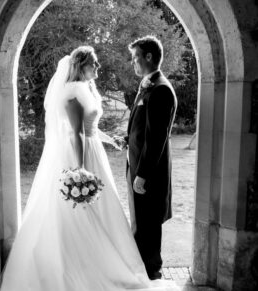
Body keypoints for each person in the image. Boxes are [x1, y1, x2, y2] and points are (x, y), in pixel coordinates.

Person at [0, 46, 173, 291]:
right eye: (94, 64)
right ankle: (78, 266)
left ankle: (99, 259)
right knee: (77, 213)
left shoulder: (87, 89)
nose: (98, 68)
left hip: (94, 152)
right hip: (79, 156)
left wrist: (111, 139)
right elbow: (77, 134)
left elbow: (90, 129)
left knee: (101, 210)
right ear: (82, 66)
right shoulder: (71, 92)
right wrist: (80, 169)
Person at [116, 36, 177, 280]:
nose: (133, 63)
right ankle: (142, 273)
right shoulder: (147, 85)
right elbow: (143, 129)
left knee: (149, 228)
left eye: (136, 57)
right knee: (141, 225)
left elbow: (156, 139)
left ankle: (152, 274)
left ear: (149, 57)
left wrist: (142, 175)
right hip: (137, 167)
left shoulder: (160, 88)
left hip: (148, 174)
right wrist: (128, 140)